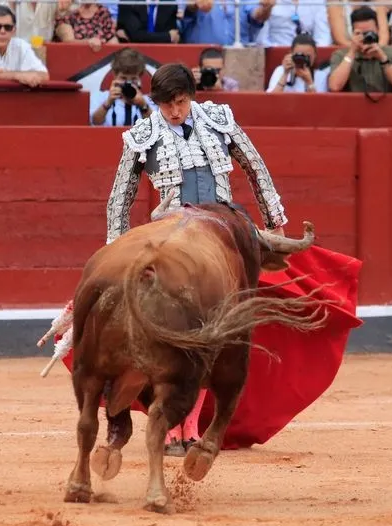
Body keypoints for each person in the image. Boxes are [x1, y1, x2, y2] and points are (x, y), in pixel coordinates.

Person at [42, 62, 363, 457]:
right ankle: (170, 421)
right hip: (170, 226)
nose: (174, 111)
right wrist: (115, 250)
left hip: (226, 224)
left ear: (190, 97)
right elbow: (119, 199)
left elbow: (255, 166)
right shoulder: (142, 135)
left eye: (179, 102)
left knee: (229, 326)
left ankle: (192, 424)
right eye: (166, 105)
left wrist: (275, 223)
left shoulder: (218, 118)